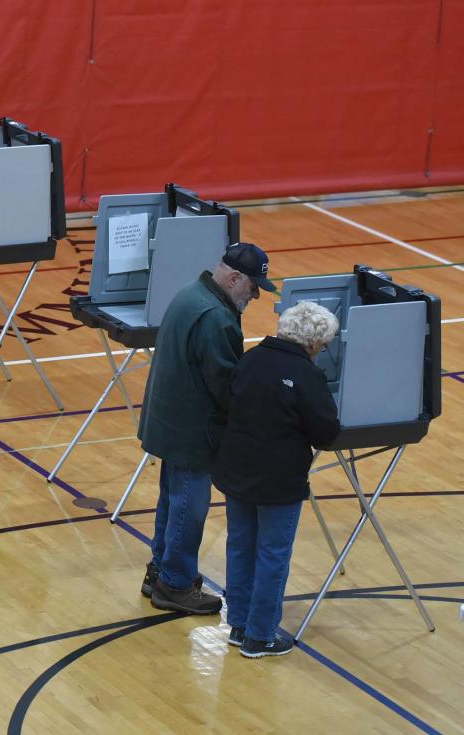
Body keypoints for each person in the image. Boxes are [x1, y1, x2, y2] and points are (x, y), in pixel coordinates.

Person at [139, 242, 276, 615]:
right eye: (253, 287)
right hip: (192, 428)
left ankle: (161, 570)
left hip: (169, 418)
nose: (256, 296)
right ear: (234, 278)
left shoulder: (192, 294)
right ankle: (176, 584)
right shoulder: (216, 316)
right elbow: (227, 385)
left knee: (172, 499)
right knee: (190, 506)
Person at [213, 300, 341, 657]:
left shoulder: (252, 358)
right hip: (277, 481)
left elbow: (228, 402)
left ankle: (239, 625)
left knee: (240, 547)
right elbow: (326, 434)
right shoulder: (306, 375)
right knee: (272, 555)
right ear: (314, 344)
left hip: (236, 471)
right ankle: (261, 636)